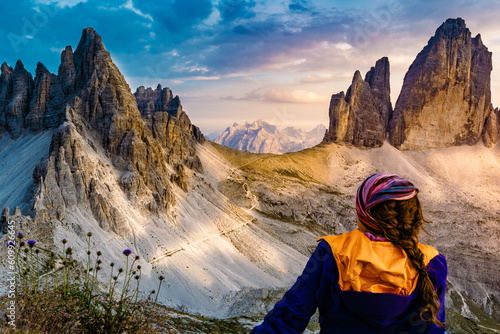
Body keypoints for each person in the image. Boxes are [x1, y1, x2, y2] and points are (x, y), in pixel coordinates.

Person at [251, 173, 447, 333]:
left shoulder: (331, 252)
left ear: (363, 213)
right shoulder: (431, 261)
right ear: (413, 215)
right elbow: (430, 329)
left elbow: (291, 314)